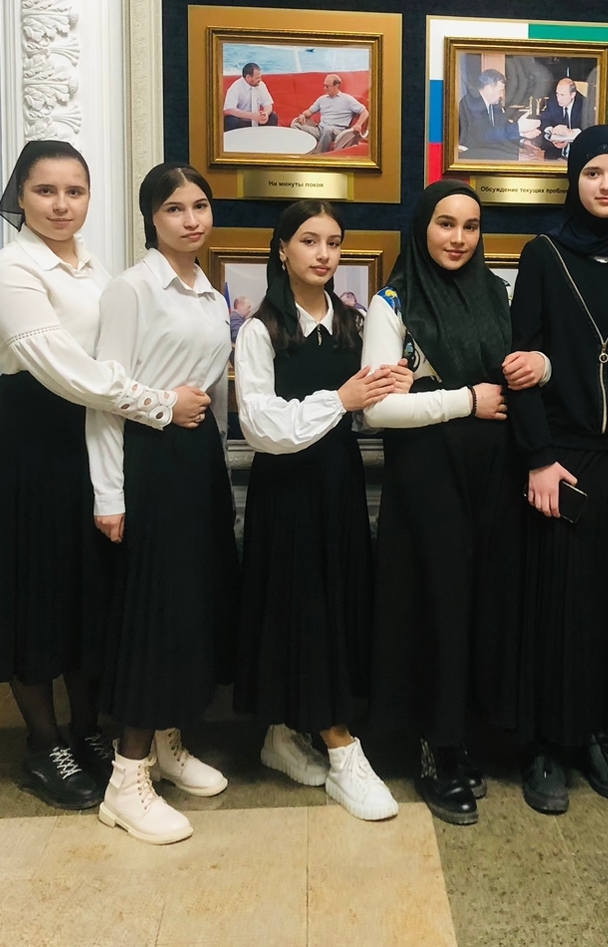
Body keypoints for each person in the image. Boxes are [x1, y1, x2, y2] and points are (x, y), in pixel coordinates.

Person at [0, 141, 211, 810]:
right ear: (20, 195)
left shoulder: (101, 271)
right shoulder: (10, 270)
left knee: (92, 586)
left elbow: (121, 352)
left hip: (99, 434)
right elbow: (65, 368)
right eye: (45, 191)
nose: (61, 205)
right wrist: (161, 404)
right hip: (32, 440)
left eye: (75, 191)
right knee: (35, 588)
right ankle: (45, 746)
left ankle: (86, 730)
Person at [507, 126, 608, 816]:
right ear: (572, 181)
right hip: (559, 458)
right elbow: (521, 364)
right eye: (592, 173)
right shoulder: (543, 254)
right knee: (554, 606)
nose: (606, 185)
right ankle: (546, 744)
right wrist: (539, 458)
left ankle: (597, 736)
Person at [364, 181, 530, 827]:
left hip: (493, 472)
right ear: (421, 228)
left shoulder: (497, 293)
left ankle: (469, 736)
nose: (458, 238)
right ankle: (436, 749)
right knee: (439, 605)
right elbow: (379, 409)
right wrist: (467, 400)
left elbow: (524, 369)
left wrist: (537, 368)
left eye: (470, 226)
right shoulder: (393, 302)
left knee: (486, 603)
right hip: (428, 474)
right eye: (444, 224)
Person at [233, 200, 406, 822]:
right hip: (286, 489)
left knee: (336, 605)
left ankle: (281, 736)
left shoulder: (355, 325)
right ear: (282, 249)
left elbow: (373, 404)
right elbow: (259, 426)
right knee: (299, 607)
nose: (323, 254)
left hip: (338, 481)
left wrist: (395, 386)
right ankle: (341, 750)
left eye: (333, 242)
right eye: (309, 241)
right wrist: (341, 398)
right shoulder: (260, 330)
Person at [87, 164, 240, 845]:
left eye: (200, 205)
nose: (191, 219)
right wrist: (109, 494)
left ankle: (168, 747)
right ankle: (125, 780)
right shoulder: (132, 288)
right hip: (148, 461)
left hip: (197, 460)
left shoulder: (210, 292)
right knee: (152, 615)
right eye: (175, 208)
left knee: (190, 608)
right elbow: (105, 396)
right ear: (152, 217)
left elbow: (212, 391)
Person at [458, 68, 539, 160]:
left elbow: (503, 127)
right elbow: (485, 135)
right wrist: (518, 128)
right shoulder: (471, 102)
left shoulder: (495, 104)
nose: (502, 95)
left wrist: (522, 135)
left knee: (528, 157)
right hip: (474, 152)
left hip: (491, 150)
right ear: (488, 89)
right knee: (520, 160)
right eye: (500, 91)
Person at [292, 74, 368, 154]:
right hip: (320, 130)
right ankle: (303, 150)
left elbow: (365, 112)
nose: (325, 88)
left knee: (328, 130)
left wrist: (358, 124)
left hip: (337, 131)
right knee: (295, 124)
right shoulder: (322, 99)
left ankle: (318, 155)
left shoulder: (347, 99)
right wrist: (303, 115)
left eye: (328, 86)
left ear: (336, 86)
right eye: (324, 86)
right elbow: (310, 112)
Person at [538, 77, 593, 158]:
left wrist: (572, 132)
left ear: (572, 95)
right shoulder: (552, 102)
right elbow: (544, 120)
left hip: (578, 153)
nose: (558, 99)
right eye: (557, 94)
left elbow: (590, 127)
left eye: (562, 95)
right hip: (554, 153)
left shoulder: (584, 105)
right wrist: (551, 130)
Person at [223, 62, 275, 133]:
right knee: (231, 121)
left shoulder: (261, 85)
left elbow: (268, 104)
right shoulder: (236, 87)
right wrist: (251, 116)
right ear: (248, 77)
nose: (260, 80)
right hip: (242, 120)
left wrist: (265, 113)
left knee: (273, 116)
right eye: (257, 78)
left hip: (257, 120)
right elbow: (228, 110)